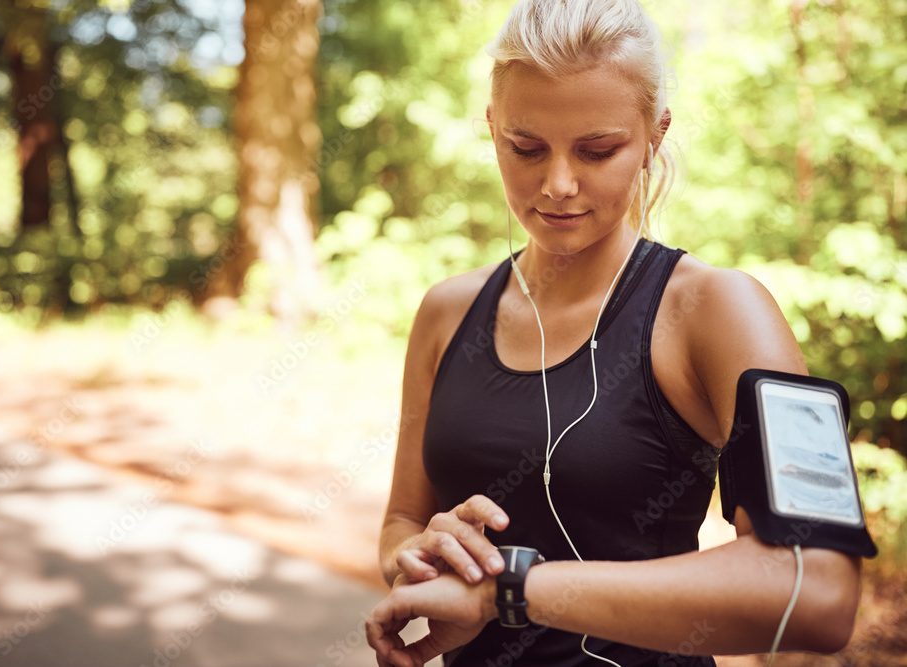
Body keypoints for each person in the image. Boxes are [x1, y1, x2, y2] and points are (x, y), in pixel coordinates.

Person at [364, 1, 862, 666]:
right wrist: (420, 557)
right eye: (526, 147)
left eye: (598, 150)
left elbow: (820, 590)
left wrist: (511, 589)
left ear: (655, 134)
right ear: (491, 127)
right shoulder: (447, 312)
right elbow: (401, 522)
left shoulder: (721, 309)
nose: (558, 184)